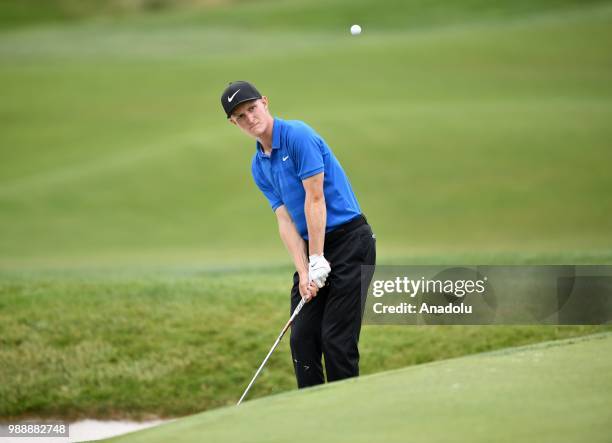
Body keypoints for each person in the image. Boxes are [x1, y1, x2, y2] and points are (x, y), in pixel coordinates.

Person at [221, 80, 376, 388]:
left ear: (264, 102)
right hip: (312, 248)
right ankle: (311, 416)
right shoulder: (258, 165)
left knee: (336, 339)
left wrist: (317, 257)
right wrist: (304, 270)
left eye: (252, 108)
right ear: (233, 122)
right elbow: (285, 220)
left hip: (350, 242)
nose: (250, 118)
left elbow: (315, 198)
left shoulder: (297, 136)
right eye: (240, 116)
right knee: (302, 339)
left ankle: (343, 417)